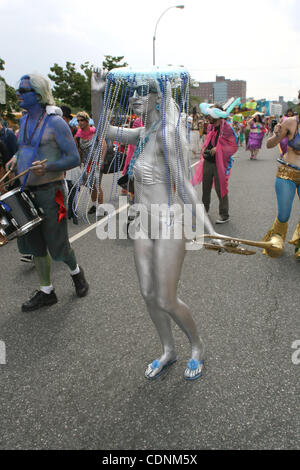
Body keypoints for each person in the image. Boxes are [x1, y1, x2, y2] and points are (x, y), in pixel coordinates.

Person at [87, 67, 225, 381]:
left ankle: (197, 345)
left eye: (142, 92)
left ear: (157, 96)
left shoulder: (167, 133)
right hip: (141, 225)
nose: (135, 98)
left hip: (168, 224)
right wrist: (97, 93)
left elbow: (186, 186)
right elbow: (103, 130)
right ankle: (168, 350)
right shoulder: (142, 132)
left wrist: (210, 230)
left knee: (166, 297)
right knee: (148, 294)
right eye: (132, 92)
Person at [5, 73, 89, 311]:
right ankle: (46, 291)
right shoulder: (23, 121)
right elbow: (25, 148)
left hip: (53, 193)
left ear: (38, 95)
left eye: (24, 91)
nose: (19, 94)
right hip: (26, 191)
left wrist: (48, 167)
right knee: (35, 246)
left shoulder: (56, 123)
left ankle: (76, 274)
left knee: (58, 244)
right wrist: (15, 157)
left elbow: (74, 157)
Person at [262, 90, 300, 260]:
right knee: (284, 214)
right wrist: (276, 134)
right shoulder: (291, 123)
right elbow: (270, 145)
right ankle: (276, 242)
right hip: (287, 173)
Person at [192, 101, 239, 225]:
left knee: (220, 188)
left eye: (210, 114)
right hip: (208, 161)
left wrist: (218, 149)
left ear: (218, 115)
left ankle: (224, 214)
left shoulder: (227, 128)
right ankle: (204, 210)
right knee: (205, 187)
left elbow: (233, 146)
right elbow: (209, 139)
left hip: (220, 164)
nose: (207, 117)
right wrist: (204, 147)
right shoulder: (211, 127)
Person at [74, 111, 107, 216]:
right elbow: (77, 151)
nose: (80, 122)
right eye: (78, 121)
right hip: (85, 164)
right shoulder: (78, 136)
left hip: (96, 163)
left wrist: (101, 160)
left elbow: (104, 146)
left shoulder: (95, 132)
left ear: (87, 121)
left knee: (97, 185)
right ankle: (94, 205)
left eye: (82, 120)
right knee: (90, 186)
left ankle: (101, 207)